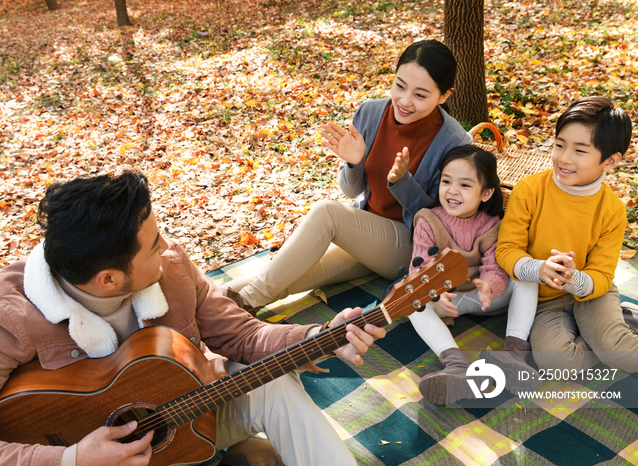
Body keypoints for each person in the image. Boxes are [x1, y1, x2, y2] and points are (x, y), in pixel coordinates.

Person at [0, 171, 386, 466]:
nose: (167, 247)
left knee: (274, 385)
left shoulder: (170, 268)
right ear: (109, 279)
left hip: (181, 422)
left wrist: (320, 335)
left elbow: (243, 335)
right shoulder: (8, 313)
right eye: (152, 245)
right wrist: (71, 458)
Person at [221, 39, 472, 312]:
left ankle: (248, 302)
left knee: (327, 214)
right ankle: (212, 300)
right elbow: (352, 192)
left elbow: (441, 220)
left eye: (421, 95)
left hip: (409, 245)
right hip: (366, 232)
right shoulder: (371, 112)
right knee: (292, 271)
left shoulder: (454, 143)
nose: (405, 101)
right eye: (400, 85)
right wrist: (354, 163)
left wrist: (403, 184)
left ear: (445, 96)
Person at [496, 96, 638, 373]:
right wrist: (539, 269)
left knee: (623, 354)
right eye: (559, 145)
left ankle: (612, 337)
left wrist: (573, 279)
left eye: (580, 151)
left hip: (592, 294)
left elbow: (601, 275)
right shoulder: (529, 190)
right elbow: (506, 250)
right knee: (556, 361)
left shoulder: (612, 211)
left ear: (610, 161)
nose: (564, 158)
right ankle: (613, 332)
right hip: (544, 300)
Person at [404, 145, 539, 404]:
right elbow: (420, 268)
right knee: (412, 301)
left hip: (483, 297)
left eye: (465, 185)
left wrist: (489, 286)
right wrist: (435, 292)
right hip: (446, 300)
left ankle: (513, 352)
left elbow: (496, 266)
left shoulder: (492, 224)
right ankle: (455, 365)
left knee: (526, 274)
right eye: (446, 181)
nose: (452, 191)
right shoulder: (428, 220)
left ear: (486, 193)